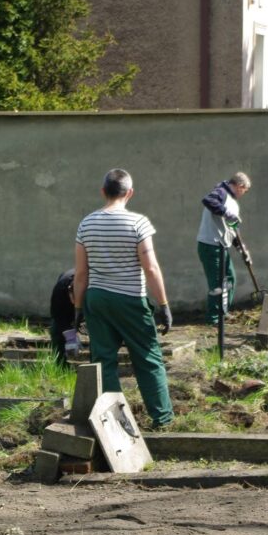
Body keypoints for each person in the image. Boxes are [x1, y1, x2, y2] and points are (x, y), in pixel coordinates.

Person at [74, 169, 175, 428]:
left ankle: (113, 423)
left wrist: (78, 308)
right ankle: (162, 420)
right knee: (148, 358)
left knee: (103, 360)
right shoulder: (138, 223)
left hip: (96, 300)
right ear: (130, 193)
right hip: (130, 299)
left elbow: (81, 272)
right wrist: (163, 305)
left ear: (103, 192)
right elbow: (151, 268)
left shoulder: (86, 223)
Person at [196, 172, 252, 325]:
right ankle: (213, 319)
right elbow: (208, 201)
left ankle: (223, 311)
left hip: (221, 246)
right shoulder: (221, 192)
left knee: (230, 278)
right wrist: (226, 213)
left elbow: (233, 229)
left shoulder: (232, 202)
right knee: (217, 283)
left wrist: (242, 249)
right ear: (240, 186)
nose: (243, 194)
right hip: (210, 245)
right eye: (244, 191)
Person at [49, 268, 76, 366]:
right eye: (73, 298)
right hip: (64, 306)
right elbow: (57, 315)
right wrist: (70, 336)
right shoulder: (59, 290)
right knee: (56, 330)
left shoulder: (92, 288)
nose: (74, 302)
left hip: (88, 301)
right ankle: (61, 365)